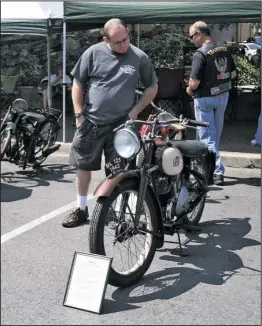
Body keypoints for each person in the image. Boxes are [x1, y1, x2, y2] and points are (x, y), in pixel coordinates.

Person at [62, 18, 158, 227]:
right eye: (118, 42)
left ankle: (114, 213)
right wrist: (79, 114)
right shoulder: (93, 53)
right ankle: (81, 209)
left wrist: (135, 111)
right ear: (106, 39)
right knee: (83, 166)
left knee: (118, 171)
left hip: (121, 126)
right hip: (91, 122)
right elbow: (78, 83)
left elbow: (152, 87)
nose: (124, 45)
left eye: (126, 39)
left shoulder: (139, 57)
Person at [186, 21, 237, 185]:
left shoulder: (200, 54)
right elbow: (234, 74)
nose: (192, 40)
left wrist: (188, 88)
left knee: (207, 137)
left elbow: (194, 82)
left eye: (192, 36)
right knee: (214, 135)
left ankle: (216, 171)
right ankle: (210, 166)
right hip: (222, 95)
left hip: (205, 98)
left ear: (199, 34)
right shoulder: (224, 48)